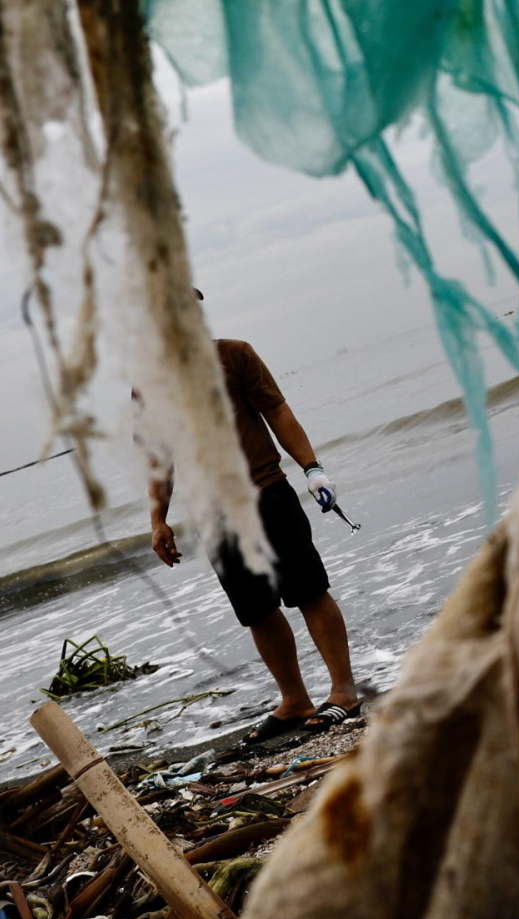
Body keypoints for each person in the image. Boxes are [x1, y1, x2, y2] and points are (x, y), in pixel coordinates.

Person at [147, 315, 361, 744]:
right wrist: (157, 518)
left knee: (307, 591)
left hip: (267, 492)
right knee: (257, 611)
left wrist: (313, 468)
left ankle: (344, 691)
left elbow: (277, 410)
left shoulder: (234, 354)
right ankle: (295, 700)